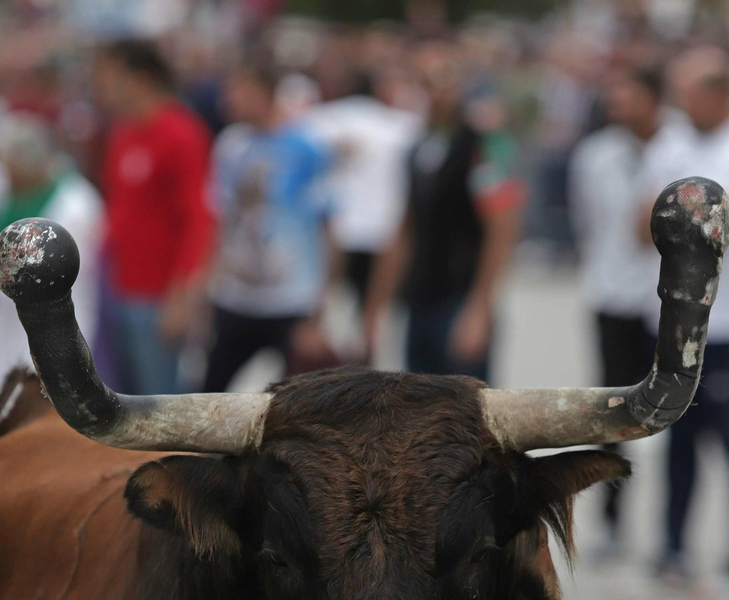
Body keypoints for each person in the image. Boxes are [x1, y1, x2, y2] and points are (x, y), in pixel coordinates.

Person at [638, 48, 729, 596]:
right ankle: (672, 551)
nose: (681, 102)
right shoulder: (670, 143)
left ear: (719, 94)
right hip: (678, 319)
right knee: (677, 440)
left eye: (691, 91)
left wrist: (667, 219)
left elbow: (710, 227)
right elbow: (641, 223)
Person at [364, 41, 524, 381]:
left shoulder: (480, 147)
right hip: (420, 297)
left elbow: (502, 229)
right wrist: (375, 309)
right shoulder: (416, 149)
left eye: (441, 79)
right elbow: (404, 232)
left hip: (459, 296)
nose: (433, 91)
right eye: (424, 81)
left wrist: (480, 308)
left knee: (465, 404)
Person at [0, 115, 103, 446]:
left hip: (52, 329)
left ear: (34, 168)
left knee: (35, 419)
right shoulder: (6, 181)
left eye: (11, 173)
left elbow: (40, 281)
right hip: (0, 326)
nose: (5, 180)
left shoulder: (76, 207)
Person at [567, 65, 665, 560]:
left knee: (675, 412)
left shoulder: (679, 149)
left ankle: (672, 531)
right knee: (613, 413)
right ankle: (611, 520)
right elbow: (586, 220)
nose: (615, 105)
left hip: (666, 300)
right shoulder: (594, 155)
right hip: (612, 294)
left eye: (626, 95)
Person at [200, 62, 334, 393]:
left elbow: (328, 229)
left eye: (240, 90)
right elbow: (219, 220)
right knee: (208, 392)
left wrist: (319, 310)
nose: (230, 99)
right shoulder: (230, 145)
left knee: (300, 400)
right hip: (234, 296)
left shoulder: (306, 147)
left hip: (291, 302)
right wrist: (204, 288)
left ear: (266, 93)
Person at [93, 39, 215, 394]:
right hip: (118, 288)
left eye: (109, 75)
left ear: (140, 78)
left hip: (158, 297)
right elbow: (118, 208)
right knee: (122, 401)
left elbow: (198, 219)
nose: (100, 84)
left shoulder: (181, 134)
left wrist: (182, 297)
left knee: (159, 404)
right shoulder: (122, 132)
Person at [303, 69, 419, 312]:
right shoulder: (399, 126)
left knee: (325, 295)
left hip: (340, 225)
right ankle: (369, 323)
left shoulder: (320, 120)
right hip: (377, 224)